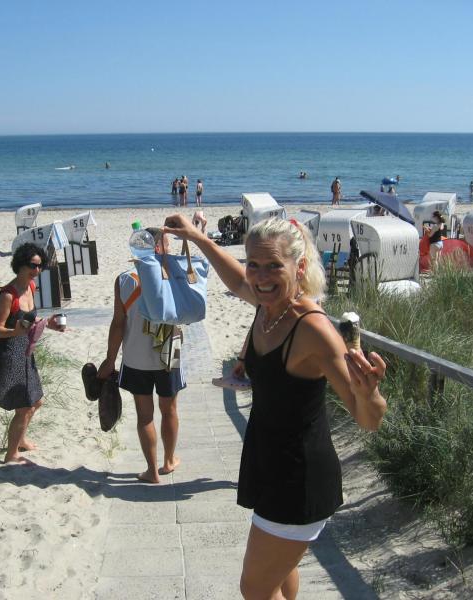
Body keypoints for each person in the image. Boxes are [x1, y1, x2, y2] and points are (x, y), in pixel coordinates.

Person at [163, 214, 387, 600]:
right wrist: (197, 237)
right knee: (281, 575)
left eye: (273, 266)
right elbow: (236, 280)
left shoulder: (313, 329)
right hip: (270, 464)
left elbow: (368, 419)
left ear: (299, 267)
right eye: (254, 263)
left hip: (297, 478)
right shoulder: (268, 305)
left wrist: (370, 394)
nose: (260, 276)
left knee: (254, 589)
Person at [97, 228, 185, 483]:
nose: (170, 249)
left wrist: (110, 359)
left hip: (135, 356)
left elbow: (118, 323)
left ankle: (152, 471)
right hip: (169, 353)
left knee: (144, 415)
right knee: (169, 409)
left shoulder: (124, 280)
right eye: (167, 244)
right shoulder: (173, 275)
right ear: (157, 248)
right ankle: (169, 461)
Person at [0, 243, 66, 465]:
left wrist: (48, 324)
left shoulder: (30, 287)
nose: (37, 270)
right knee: (24, 407)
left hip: (26, 352)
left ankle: (20, 440)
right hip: (10, 355)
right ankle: (11, 455)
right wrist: (15, 332)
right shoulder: (8, 295)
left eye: (40, 266)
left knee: (36, 401)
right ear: (20, 264)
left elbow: (30, 319)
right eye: (33, 265)